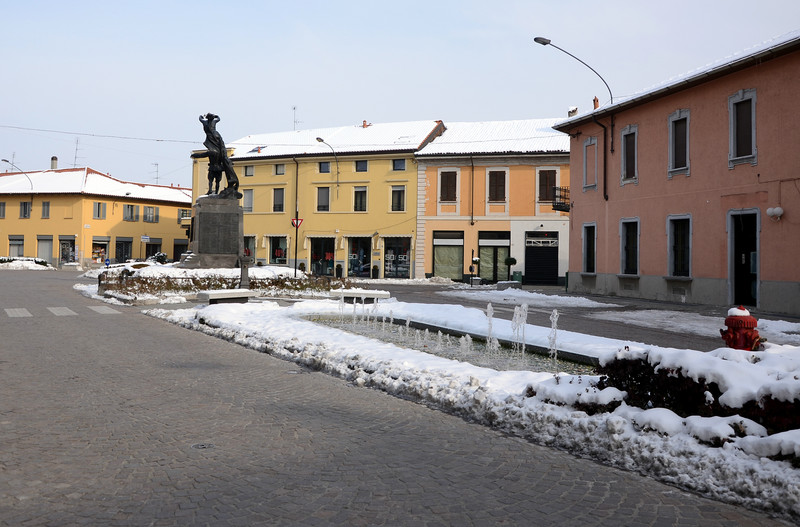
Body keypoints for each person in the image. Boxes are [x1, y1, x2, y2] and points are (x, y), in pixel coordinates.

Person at [191, 113, 240, 197]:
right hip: (219, 168)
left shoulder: (211, 150)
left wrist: (195, 155)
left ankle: (210, 190)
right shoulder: (218, 142)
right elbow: (218, 118)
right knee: (218, 181)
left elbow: (203, 154)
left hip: (212, 167)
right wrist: (216, 116)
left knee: (210, 180)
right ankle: (216, 192)